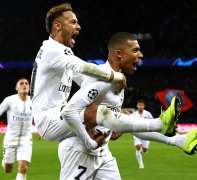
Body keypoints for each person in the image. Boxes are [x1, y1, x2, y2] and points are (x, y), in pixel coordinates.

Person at [59, 32, 197, 179]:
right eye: (135, 50)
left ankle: (180, 141)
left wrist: (111, 129)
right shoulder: (101, 78)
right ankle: (165, 128)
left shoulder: (119, 81)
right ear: (119, 54)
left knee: (127, 118)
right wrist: (90, 140)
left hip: (102, 154)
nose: (141, 55)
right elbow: (71, 112)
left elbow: (131, 126)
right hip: (78, 152)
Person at [30, 2, 128, 150]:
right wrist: (116, 76)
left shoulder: (60, 53)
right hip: (49, 118)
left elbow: (86, 80)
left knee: (116, 111)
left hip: (59, 114)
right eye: (73, 22)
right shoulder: (52, 50)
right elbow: (85, 67)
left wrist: (112, 105)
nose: (78, 26)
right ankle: (156, 127)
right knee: (101, 110)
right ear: (58, 26)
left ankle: (109, 129)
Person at [0, 78, 33, 180]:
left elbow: (40, 116)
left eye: (26, 83)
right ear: (16, 88)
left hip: (26, 139)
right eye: (21, 83)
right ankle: (5, 162)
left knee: (23, 168)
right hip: (10, 138)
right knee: (8, 169)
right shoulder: (9, 100)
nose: (24, 85)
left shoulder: (33, 101)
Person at [131, 100, 153, 169]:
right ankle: (141, 164)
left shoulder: (147, 114)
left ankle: (143, 150)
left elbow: (152, 121)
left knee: (144, 150)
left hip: (146, 134)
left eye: (142, 105)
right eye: (139, 105)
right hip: (137, 133)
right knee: (137, 147)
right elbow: (129, 120)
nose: (140, 107)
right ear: (137, 106)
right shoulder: (134, 114)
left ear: (144, 106)